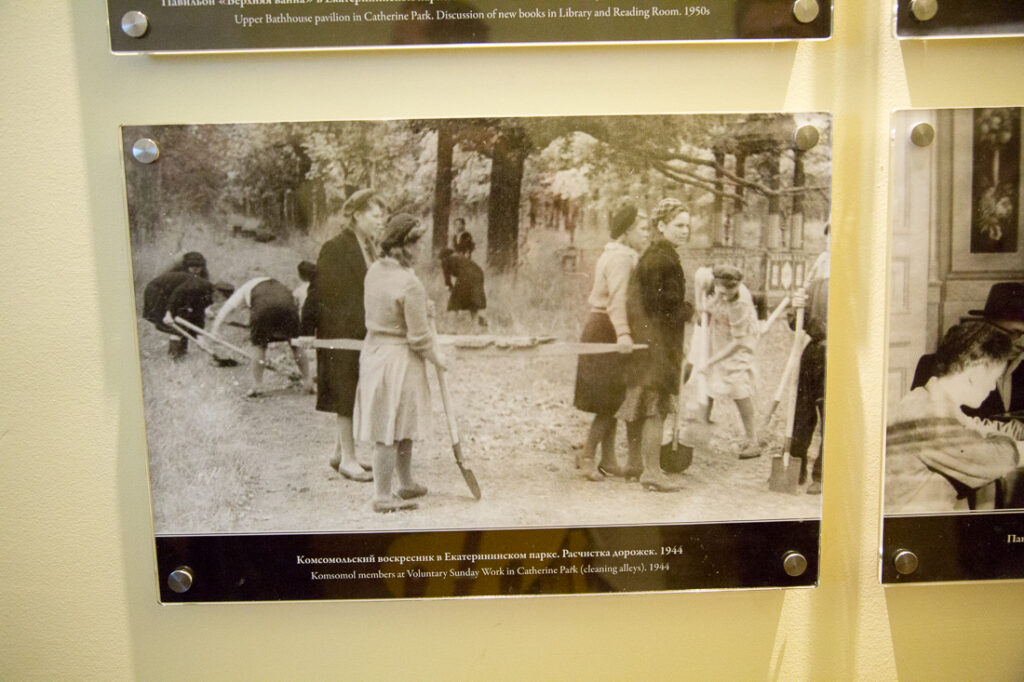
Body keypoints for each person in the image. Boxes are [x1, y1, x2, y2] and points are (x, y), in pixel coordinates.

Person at [353, 213, 445, 513]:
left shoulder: (375, 271)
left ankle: (405, 483)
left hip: (374, 353)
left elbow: (390, 309)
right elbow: (419, 338)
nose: (421, 248)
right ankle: (381, 495)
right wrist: (438, 359)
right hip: (399, 359)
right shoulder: (409, 283)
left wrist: (423, 308)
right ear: (404, 245)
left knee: (401, 421)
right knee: (389, 426)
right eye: (417, 242)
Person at [886, 321, 1020, 513]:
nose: (992, 388)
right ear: (976, 373)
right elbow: (996, 458)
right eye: (993, 379)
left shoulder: (927, 397)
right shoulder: (929, 416)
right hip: (909, 530)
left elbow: (973, 426)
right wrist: (1012, 446)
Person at [303, 189, 385, 482]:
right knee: (345, 392)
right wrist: (308, 330)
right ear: (357, 215)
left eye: (382, 216)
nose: (380, 221)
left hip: (363, 329)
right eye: (376, 216)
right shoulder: (336, 247)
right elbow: (324, 291)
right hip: (340, 331)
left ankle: (340, 453)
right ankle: (349, 459)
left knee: (356, 391)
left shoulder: (370, 248)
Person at [616, 198, 689, 492]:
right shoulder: (664, 259)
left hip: (643, 340)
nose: (685, 231)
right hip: (657, 344)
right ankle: (653, 472)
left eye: (688, 226)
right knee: (655, 408)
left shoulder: (651, 255)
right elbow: (665, 307)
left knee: (639, 402)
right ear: (662, 226)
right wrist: (689, 310)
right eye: (679, 225)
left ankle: (636, 464)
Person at [573, 204, 649, 481]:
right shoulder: (620, 258)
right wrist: (624, 334)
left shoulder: (619, 254)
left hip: (606, 325)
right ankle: (588, 457)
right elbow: (617, 301)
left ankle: (608, 459)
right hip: (606, 328)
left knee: (613, 398)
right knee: (608, 401)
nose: (647, 235)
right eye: (643, 229)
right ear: (627, 231)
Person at [696, 264, 761, 459]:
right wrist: (703, 306)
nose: (726, 296)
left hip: (739, 342)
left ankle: (752, 441)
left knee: (736, 384)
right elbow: (699, 276)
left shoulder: (740, 303)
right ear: (715, 283)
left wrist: (711, 360)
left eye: (730, 292)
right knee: (708, 381)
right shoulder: (708, 279)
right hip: (718, 334)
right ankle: (699, 433)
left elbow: (738, 341)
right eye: (722, 292)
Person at [210, 276, 312, 397]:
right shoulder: (279, 284)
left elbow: (227, 308)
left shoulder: (244, 289)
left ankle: (257, 386)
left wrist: (214, 329)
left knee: (259, 346)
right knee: (295, 345)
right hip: (288, 308)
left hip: (263, 309)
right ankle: (308, 381)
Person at [790, 224, 830, 494]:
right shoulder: (818, 275)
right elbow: (797, 323)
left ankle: (822, 474)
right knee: (801, 413)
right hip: (815, 352)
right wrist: (796, 308)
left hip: (840, 354)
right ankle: (796, 466)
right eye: (830, 237)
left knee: (831, 415)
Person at [142, 270, 232, 358]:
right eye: (220, 298)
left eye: (222, 300)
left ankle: (181, 353)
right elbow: (177, 294)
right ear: (217, 292)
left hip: (170, 294)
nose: (219, 301)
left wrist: (199, 336)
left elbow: (198, 314)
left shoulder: (209, 296)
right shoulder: (198, 286)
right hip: (158, 290)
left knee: (184, 321)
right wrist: (168, 313)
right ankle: (174, 355)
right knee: (175, 326)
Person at [441, 231, 487, 327]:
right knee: (474, 301)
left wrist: (449, 287)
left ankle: (451, 328)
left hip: (466, 276)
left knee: (454, 303)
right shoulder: (460, 257)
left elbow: (447, 278)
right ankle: (478, 327)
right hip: (478, 274)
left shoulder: (446, 260)